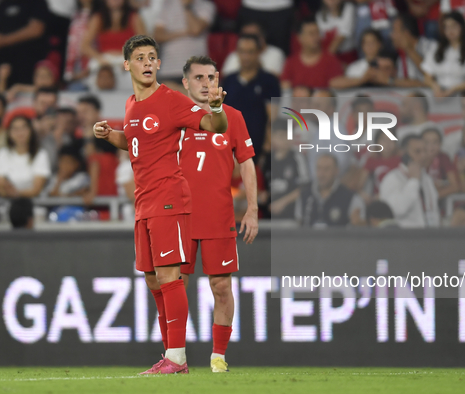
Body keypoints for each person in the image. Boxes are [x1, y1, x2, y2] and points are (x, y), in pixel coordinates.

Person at [92, 35, 228, 374]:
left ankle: (178, 357)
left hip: (169, 198)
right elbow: (136, 143)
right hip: (143, 201)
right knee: (153, 279)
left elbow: (216, 127)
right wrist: (110, 135)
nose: (149, 63)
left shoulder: (171, 100)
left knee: (169, 274)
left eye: (153, 57)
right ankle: (170, 353)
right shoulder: (131, 105)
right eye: (140, 57)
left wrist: (216, 106)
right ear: (127, 65)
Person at [179, 56, 258, 373]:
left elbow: (247, 162)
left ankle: (218, 358)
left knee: (222, 287)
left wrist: (252, 210)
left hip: (217, 215)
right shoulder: (174, 116)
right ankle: (175, 355)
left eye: (210, 77)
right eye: (198, 78)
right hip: (179, 216)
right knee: (175, 287)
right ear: (185, 82)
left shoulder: (233, 117)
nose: (205, 83)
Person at [222, 34, 281, 158]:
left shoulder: (269, 81)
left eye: (250, 52)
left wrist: (267, 143)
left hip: (257, 146)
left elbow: (272, 116)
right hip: (230, 146)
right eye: (242, 52)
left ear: (259, 53)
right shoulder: (228, 80)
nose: (246, 57)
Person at [81, 0, 147, 90]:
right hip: (104, 60)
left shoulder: (134, 17)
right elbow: (85, 46)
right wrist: (100, 59)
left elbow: (145, 44)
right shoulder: (98, 18)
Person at [422, 11, 465, 98]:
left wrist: (455, 89)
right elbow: (427, 77)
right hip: (438, 95)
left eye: (454, 26)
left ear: (462, 27)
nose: (450, 30)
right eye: (447, 27)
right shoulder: (435, 48)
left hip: (463, 96)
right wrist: (435, 86)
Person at [379, 135, 440, 228]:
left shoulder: (426, 179)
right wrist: (414, 181)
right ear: (404, 154)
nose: (423, 155)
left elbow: (433, 210)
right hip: (404, 237)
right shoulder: (392, 179)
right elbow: (398, 209)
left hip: (429, 236)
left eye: (425, 151)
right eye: (418, 152)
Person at [153, 0, 215, 89]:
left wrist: (187, 7)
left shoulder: (206, 6)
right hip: (168, 70)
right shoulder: (167, 5)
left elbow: (195, 29)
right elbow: (158, 35)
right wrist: (184, 33)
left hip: (196, 70)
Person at [0, 0, 49, 86]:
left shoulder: (37, 2)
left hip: (27, 62)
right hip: (3, 62)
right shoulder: (3, 4)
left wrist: (3, 40)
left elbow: (36, 29)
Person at [297, 154, 366, 227]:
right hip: (309, 238)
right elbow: (298, 224)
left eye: (326, 169)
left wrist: (358, 223)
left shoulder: (351, 198)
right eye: (318, 168)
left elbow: (361, 229)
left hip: (338, 238)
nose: (321, 174)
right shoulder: (304, 195)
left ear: (336, 171)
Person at [0, 116, 51, 198]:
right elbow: (0, 188)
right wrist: (9, 192)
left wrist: (15, 193)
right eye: (15, 129)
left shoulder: (40, 154)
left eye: (24, 128)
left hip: (33, 206)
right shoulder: (2, 154)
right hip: (7, 205)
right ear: (9, 133)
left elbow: (37, 189)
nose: (20, 132)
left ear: (31, 131)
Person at [280, 19, 344, 90]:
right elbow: (285, 86)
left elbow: (337, 89)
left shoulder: (331, 60)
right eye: (311, 33)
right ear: (299, 37)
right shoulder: (291, 62)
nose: (316, 37)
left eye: (318, 33)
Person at [270, 119, 310, 219]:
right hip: (267, 216)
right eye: (281, 136)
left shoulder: (298, 158)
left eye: (288, 136)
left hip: (290, 215)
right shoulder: (267, 159)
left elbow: (305, 187)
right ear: (273, 137)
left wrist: (283, 202)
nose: (285, 140)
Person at [221, 23, 285, 77]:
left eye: (253, 36)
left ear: (262, 36)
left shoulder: (276, 54)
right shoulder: (233, 56)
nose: (249, 39)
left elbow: (279, 80)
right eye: (245, 35)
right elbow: (226, 79)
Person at [390, 14, 436, 85]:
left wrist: (409, 49)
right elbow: (406, 83)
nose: (391, 35)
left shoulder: (431, 46)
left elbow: (433, 75)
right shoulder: (401, 56)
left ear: (406, 33)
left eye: (394, 30)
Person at [422, 127, 460, 200]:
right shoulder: (415, 158)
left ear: (440, 144)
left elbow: (455, 186)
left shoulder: (443, 158)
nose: (431, 146)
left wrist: (433, 197)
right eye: (426, 142)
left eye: (435, 142)